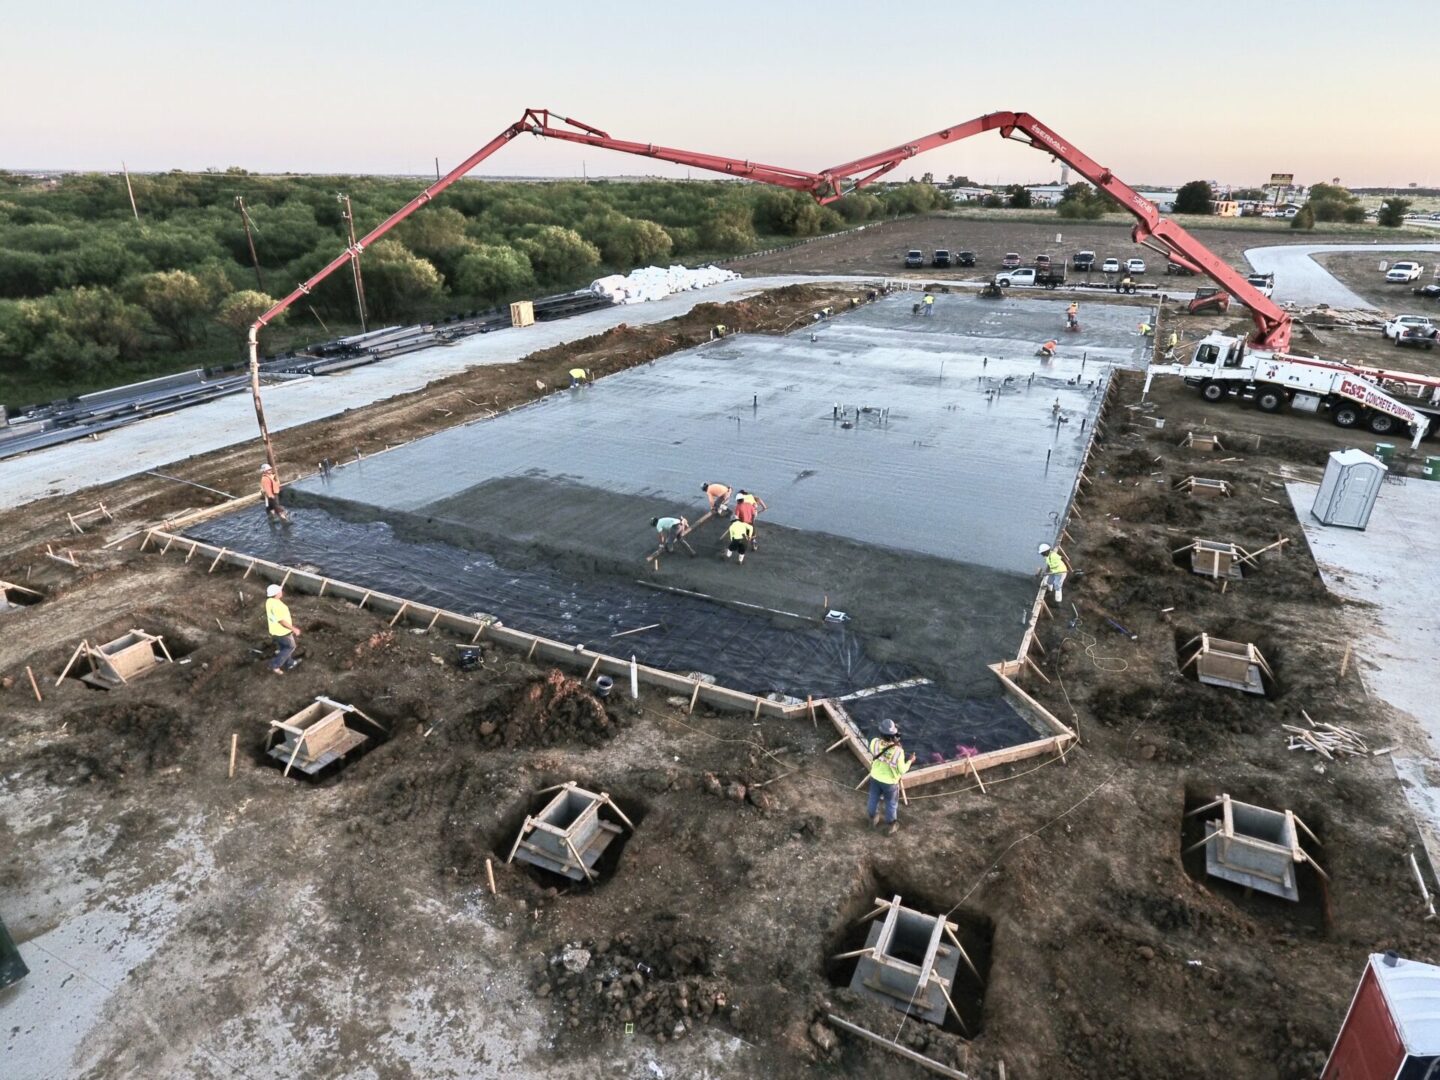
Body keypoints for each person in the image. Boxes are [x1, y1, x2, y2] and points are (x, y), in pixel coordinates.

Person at [867, 718, 916, 835]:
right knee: (891, 803)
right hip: (890, 783)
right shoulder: (898, 751)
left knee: (873, 797)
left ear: (881, 733)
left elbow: (876, 751)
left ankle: (872, 817)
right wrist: (910, 761)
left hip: (875, 777)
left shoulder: (874, 742)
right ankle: (891, 824)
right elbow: (902, 770)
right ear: (893, 735)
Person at [264, 583, 300, 675]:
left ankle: (289, 663)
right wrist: (294, 629)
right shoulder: (277, 606)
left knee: (284, 647)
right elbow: (281, 621)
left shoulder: (269, 601)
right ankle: (275, 665)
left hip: (274, 631)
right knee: (291, 647)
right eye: (279, 590)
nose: (281, 591)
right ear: (276, 593)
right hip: (282, 632)